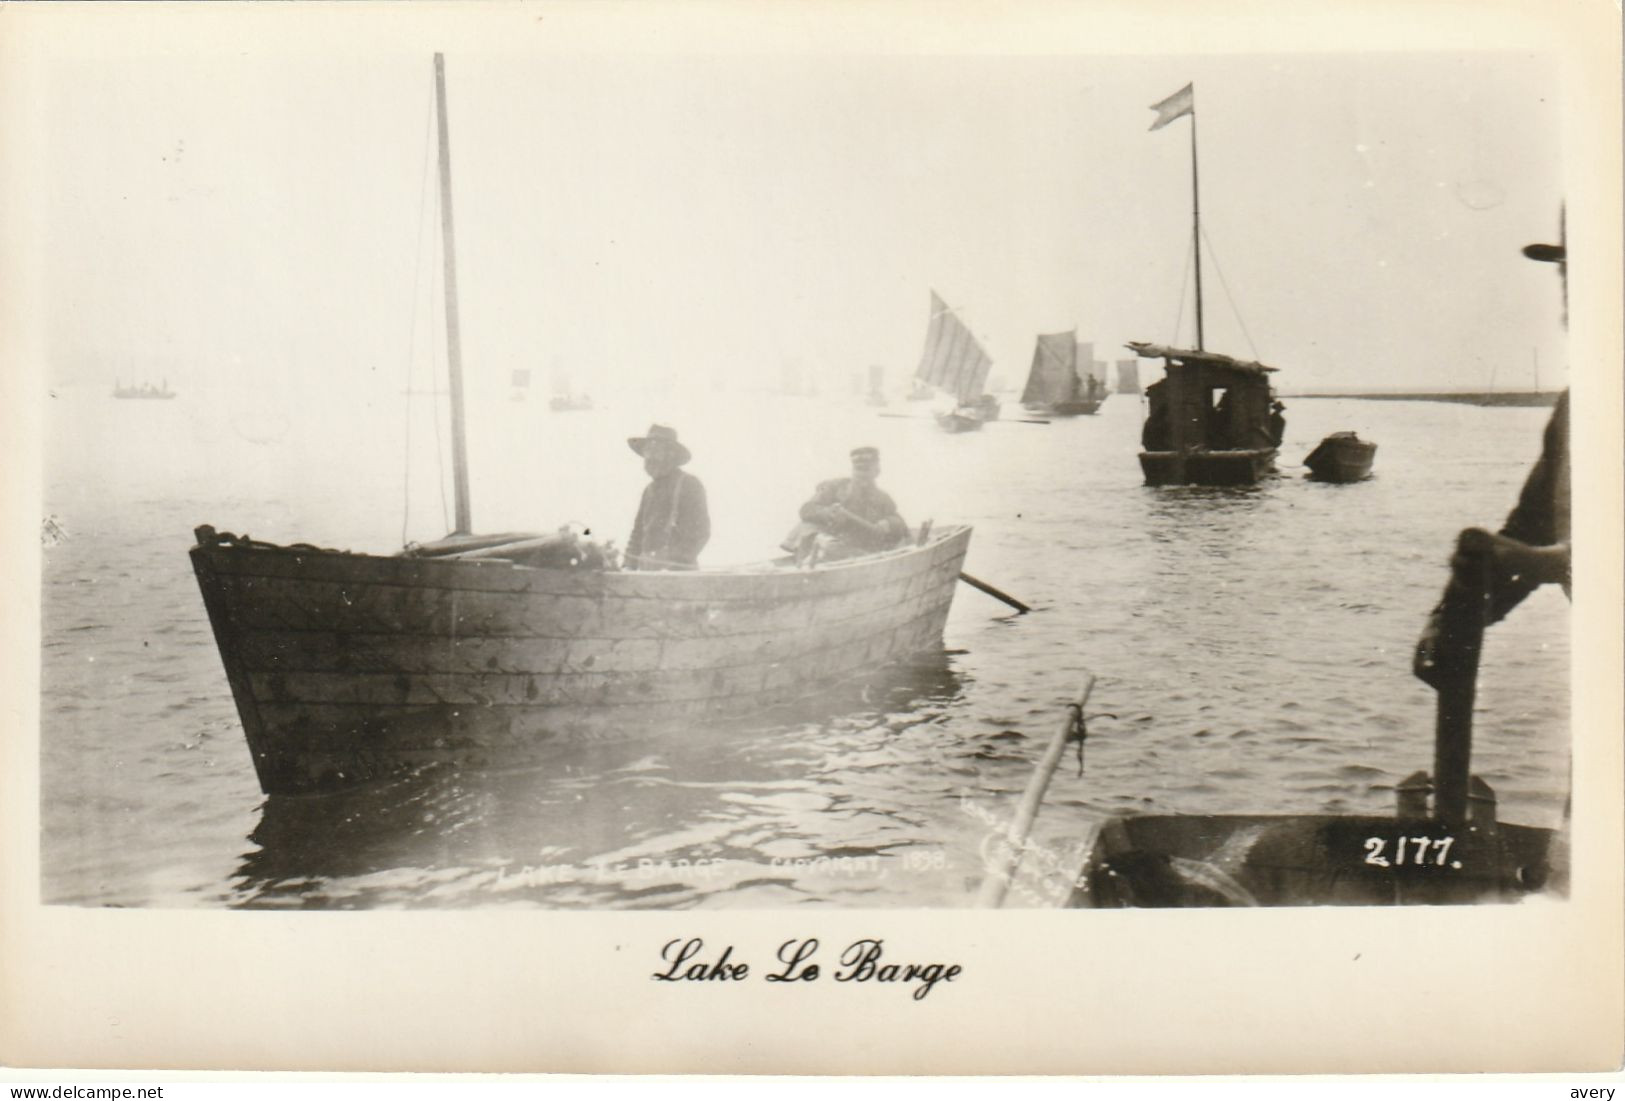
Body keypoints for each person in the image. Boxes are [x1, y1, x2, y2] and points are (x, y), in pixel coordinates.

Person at [1413, 228, 1570, 686]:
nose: (1569, 301)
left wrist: (1539, 563)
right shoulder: (1577, 408)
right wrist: (1450, 619)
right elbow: (1532, 526)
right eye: (1566, 279)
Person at [786, 446, 909, 562]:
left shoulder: (883, 498)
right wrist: (828, 513)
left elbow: (899, 522)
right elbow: (806, 509)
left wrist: (888, 523)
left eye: (866, 470)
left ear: (877, 471)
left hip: (858, 549)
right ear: (852, 470)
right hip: (828, 543)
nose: (861, 475)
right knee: (818, 538)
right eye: (858, 469)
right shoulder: (835, 487)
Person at [624, 424, 710, 570]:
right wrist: (628, 565)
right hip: (646, 574)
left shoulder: (689, 484)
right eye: (647, 451)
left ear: (671, 454)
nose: (650, 457)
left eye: (656, 450)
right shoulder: (649, 490)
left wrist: (673, 561)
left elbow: (701, 532)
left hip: (679, 577)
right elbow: (637, 534)